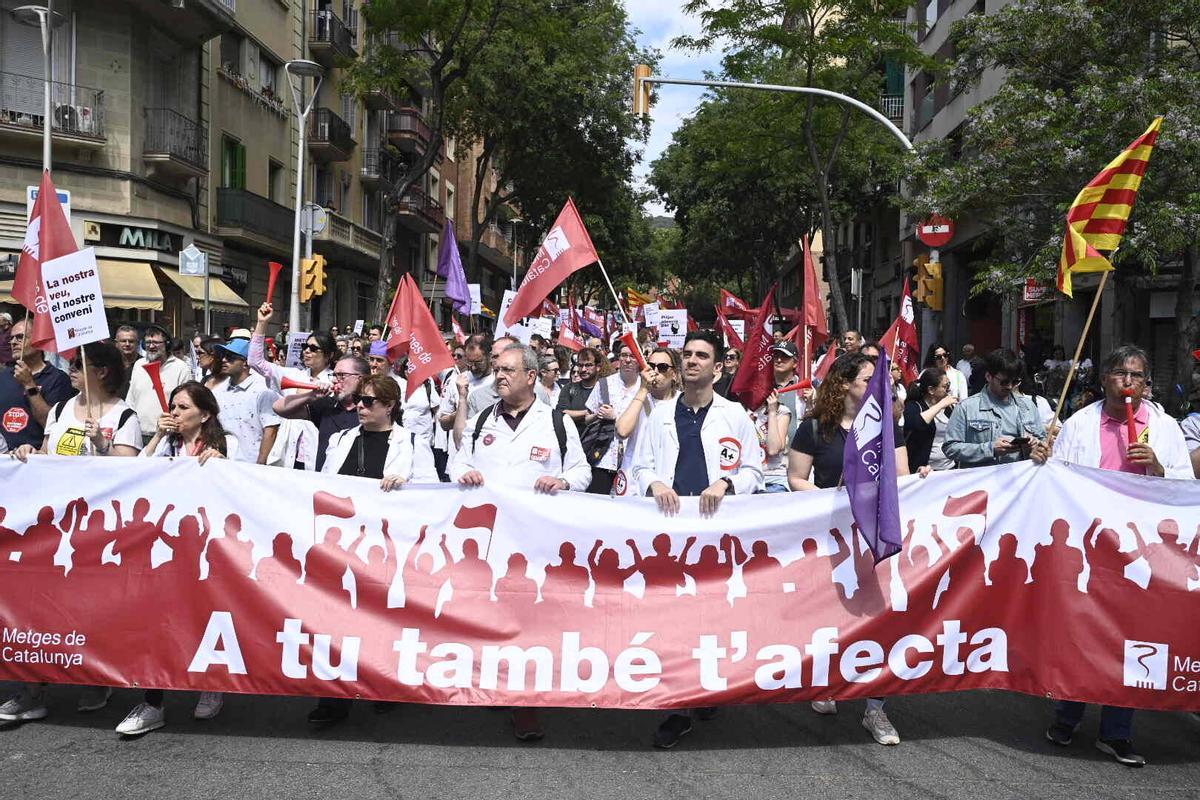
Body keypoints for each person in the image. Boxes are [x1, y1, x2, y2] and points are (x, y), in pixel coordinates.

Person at [1043, 346, 1191, 767]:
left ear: (1147, 384)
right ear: (1105, 378)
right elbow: (1057, 480)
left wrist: (1159, 470)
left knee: (1130, 638)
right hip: (1092, 546)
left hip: (1141, 550)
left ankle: (1117, 732)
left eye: (1137, 376)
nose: (1128, 382)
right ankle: (1068, 715)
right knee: (1084, 631)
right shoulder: (1079, 424)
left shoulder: (1165, 430)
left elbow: (1183, 487)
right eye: (1120, 374)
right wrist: (1041, 459)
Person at [630, 330, 764, 750]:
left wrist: (726, 481)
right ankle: (676, 707)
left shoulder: (735, 415)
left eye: (701, 355)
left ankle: (705, 686)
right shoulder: (660, 415)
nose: (691, 361)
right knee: (671, 618)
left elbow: (755, 471)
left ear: (717, 367)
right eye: (686, 354)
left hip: (715, 533)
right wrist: (653, 484)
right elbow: (640, 467)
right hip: (670, 533)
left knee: (710, 617)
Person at [450, 343, 590, 742]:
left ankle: (525, 703)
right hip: (490, 543)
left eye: (508, 370)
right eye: (497, 370)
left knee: (529, 622)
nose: (499, 376)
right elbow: (458, 461)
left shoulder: (557, 422)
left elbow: (581, 471)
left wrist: (562, 481)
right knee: (491, 616)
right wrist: (464, 473)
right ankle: (498, 685)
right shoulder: (480, 422)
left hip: (535, 546)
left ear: (531, 376)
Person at [3, 340, 139, 723]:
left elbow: (131, 474)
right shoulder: (61, 408)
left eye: (81, 365)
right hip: (54, 530)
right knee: (39, 608)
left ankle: (96, 677)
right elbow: (48, 452)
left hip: (98, 534)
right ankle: (33, 690)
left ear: (102, 372)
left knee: (93, 610)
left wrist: (101, 443)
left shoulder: (124, 415)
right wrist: (29, 455)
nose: (71, 370)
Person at [786, 352, 913, 746]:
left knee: (878, 621)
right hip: (831, 543)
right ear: (843, 384)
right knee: (831, 618)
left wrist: (921, 477)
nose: (877, 386)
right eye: (867, 379)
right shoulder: (812, 430)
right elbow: (795, 479)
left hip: (874, 541)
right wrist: (837, 500)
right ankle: (828, 685)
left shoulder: (888, 428)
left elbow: (902, 478)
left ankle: (875, 709)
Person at [306, 374, 437, 725]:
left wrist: (406, 485)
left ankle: (384, 686)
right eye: (359, 401)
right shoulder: (341, 438)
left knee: (382, 618)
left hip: (386, 547)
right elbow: (324, 483)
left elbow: (432, 491)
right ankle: (333, 698)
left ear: (390, 406)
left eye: (369, 402)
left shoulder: (411, 442)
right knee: (336, 620)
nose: (360, 407)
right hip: (343, 545)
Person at [114, 382, 232, 735]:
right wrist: (154, 439)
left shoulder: (227, 445)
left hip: (206, 552)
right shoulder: (166, 444)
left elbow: (244, 485)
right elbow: (135, 472)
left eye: (182, 408)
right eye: (172, 407)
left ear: (205, 413)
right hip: (160, 550)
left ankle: (211, 682)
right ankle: (152, 702)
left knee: (202, 617)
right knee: (158, 622)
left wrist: (223, 464)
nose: (175, 413)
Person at [943, 348, 1048, 468]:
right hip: (983, 481)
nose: (1009, 386)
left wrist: (1036, 446)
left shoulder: (1028, 407)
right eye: (1004, 382)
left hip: (1020, 479)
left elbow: (1043, 440)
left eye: (1014, 382)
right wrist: (989, 449)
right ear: (989, 376)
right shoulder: (966, 407)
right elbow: (950, 447)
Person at [272, 354, 370, 471]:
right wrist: (311, 395)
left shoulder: (371, 410)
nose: (334, 380)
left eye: (341, 375)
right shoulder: (326, 405)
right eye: (334, 375)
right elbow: (278, 408)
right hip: (324, 481)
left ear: (361, 378)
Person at [612, 347, 680, 497]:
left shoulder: (682, 402)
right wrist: (643, 389)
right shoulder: (636, 397)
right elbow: (622, 431)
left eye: (662, 367)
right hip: (633, 480)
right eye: (650, 366)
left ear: (674, 374)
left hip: (665, 482)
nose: (655, 371)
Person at [0, 318, 75, 453]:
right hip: (4, 460)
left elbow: (51, 425)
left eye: (20, 337)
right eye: (11, 338)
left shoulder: (58, 379)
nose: (13, 342)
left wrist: (29, 384)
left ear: (38, 342)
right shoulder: (4, 377)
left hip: (35, 460)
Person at [583, 337, 644, 494]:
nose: (628, 360)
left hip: (632, 461)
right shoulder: (604, 384)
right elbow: (587, 418)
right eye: (624, 355)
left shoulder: (646, 387)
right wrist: (598, 414)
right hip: (603, 458)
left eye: (632, 356)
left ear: (640, 359)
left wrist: (615, 416)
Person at [211, 338, 281, 465]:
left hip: (251, 466)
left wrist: (261, 463)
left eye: (231, 357)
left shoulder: (264, 391)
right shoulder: (217, 392)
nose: (224, 360)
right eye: (223, 356)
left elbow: (270, 429)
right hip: (222, 463)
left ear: (246, 363)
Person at [126, 325, 192, 445]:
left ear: (166, 344)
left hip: (166, 436)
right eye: (148, 342)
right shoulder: (138, 365)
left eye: (156, 343)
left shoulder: (181, 368)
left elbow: (187, 404)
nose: (151, 346)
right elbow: (131, 399)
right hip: (137, 434)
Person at [903, 368, 958, 470]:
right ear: (931, 390)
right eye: (945, 386)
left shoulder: (949, 408)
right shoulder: (914, 406)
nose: (949, 390)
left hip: (948, 467)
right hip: (924, 471)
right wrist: (940, 405)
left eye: (949, 385)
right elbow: (916, 424)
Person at [556, 346, 601, 430]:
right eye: (580, 365)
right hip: (574, 439)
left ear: (598, 367)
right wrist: (587, 412)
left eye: (588, 365)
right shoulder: (569, 388)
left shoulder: (605, 389)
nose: (583, 369)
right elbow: (561, 413)